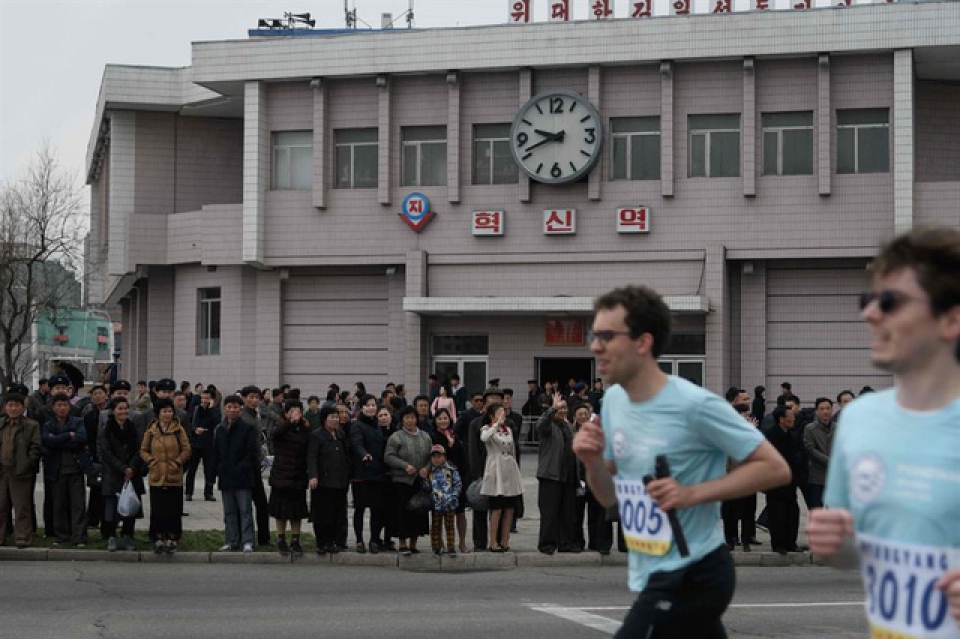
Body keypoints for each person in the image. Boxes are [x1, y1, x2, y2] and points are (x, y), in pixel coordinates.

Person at [573, 285, 790, 639]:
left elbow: (775, 467)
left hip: (695, 570)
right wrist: (592, 462)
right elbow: (610, 497)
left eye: (607, 336)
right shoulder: (613, 401)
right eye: (593, 336)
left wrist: (692, 494)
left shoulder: (695, 405)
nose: (595, 346)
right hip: (651, 569)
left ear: (643, 342)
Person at [807, 227, 960, 637]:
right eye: (868, 300)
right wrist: (837, 545)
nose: (870, 314)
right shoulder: (859, 418)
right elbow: (854, 552)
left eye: (890, 301)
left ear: (950, 319)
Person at [140, 397, 191, 553]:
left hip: (174, 476)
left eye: (170, 411)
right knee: (158, 510)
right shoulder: (151, 431)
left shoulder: (179, 430)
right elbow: (143, 450)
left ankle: (172, 538)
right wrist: (150, 461)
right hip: (157, 476)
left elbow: (187, 449)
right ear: (158, 413)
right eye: (164, 411)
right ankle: (157, 538)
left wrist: (177, 462)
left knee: (173, 510)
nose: (167, 414)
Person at [41, 393, 92, 547]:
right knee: (59, 505)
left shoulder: (78, 421)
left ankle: (79, 537)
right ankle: (61, 535)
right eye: (59, 405)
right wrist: (68, 435)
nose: (62, 408)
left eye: (65, 405)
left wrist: (58, 440)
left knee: (78, 505)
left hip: (76, 468)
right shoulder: (48, 425)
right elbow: (47, 441)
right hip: (56, 469)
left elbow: (81, 438)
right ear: (53, 407)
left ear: (69, 407)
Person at [383, 405, 432, 556]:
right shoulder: (396, 437)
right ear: (402, 420)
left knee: (418, 512)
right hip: (402, 481)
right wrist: (404, 466)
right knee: (402, 513)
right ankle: (402, 543)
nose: (410, 420)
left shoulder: (425, 436)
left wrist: (426, 468)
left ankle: (413, 544)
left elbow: (432, 457)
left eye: (413, 417)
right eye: (407, 418)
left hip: (419, 481)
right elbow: (388, 457)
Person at [213, 395, 259, 553]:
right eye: (229, 407)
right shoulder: (220, 429)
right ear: (224, 409)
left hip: (243, 476)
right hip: (225, 476)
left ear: (240, 409)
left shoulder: (248, 428)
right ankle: (231, 540)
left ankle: (248, 541)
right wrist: (215, 471)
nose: (232, 410)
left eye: (235, 407)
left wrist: (242, 467)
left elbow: (251, 453)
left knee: (245, 511)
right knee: (229, 511)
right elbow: (216, 452)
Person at [536, 393, 581, 554]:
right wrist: (551, 409)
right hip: (551, 475)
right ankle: (547, 544)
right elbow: (541, 425)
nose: (562, 410)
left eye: (564, 408)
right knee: (549, 513)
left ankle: (565, 543)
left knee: (567, 513)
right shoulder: (548, 426)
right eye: (559, 408)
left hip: (568, 476)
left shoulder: (568, 426)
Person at [98, 397, 144, 551]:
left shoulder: (133, 428)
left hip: (132, 473)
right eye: (120, 409)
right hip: (113, 473)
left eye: (125, 408)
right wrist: (123, 468)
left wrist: (131, 467)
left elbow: (139, 450)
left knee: (130, 507)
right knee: (111, 508)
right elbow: (106, 453)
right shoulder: (106, 430)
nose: (123, 412)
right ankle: (111, 536)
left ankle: (127, 536)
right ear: (113, 411)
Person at [269, 399, 310, 557]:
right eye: (292, 411)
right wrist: (290, 423)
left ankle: (295, 539)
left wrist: (303, 425)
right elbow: (275, 435)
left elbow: (308, 443)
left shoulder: (304, 430)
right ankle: (281, 539)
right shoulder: (281, 427)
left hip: (298, 475)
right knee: (280, 511)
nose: (296, 414)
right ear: (286, 413)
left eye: (298, 410)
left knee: (296, 511)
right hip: (281, 475)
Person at [480, 402, 523, 553]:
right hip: (495, 468)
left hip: (509, 468)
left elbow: (512, 449)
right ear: (492, 415)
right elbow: (484, 438)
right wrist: (495, 425)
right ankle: (493, 542)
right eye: (499, 412)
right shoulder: (487, 429)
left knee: (509, 508)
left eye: (503, 412)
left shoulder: (508, 429)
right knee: (496, 509)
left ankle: (505, 541)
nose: (502, 415)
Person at [0, 393, 41, 548]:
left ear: (23, 407)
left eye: (17, 405)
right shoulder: (1, 423)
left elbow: (36, 447)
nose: (13, 408)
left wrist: (27, 464)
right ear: (5, 407)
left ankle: (23, 537)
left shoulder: (31, 425)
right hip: (2, 470)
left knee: (22, 506)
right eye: (10, 405)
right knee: (1, 506)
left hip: (20, 471)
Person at [308, 405, 350, 555]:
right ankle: (322, 542)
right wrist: (313, 476)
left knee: (337, 513)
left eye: (336, 417)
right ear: (324, 419)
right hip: (323, 481)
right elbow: (312, 457)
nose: (335, 420)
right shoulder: (317, 435)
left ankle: (334, 541)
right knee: (322, 513)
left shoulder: (340, 434)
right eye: (332, 417)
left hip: (340, 481)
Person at [348, 395, 387, 554]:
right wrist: (364, 454)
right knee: (360, 508)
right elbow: (356, 444)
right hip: (361, 473)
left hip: (377, 472)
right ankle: (359, 540)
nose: (371, 408)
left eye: (373, 405)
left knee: (377, 509)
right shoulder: (357, 426)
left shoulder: (378, 425)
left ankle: (374, 540)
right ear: (361, 408)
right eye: (368, 405)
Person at [763, 405, 803, 555]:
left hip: (790, 481)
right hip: (775, 482)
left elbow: (798, 453)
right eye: (790, 416)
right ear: (781, 419)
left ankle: (791, 543)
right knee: (777, 515)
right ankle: (778, 544)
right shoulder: (771, 435)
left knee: (792, 513)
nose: (793, 419)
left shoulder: (792, 434)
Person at [430, 407, 469, 554]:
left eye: (445, 418)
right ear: (435, 420)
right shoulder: (433, 436)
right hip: (439, 481)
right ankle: (439, 543)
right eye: (439, 418)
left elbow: (462, 458)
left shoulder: (455, 435)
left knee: (460, 512)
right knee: (438, 514)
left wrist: (453, 444)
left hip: (456, 479)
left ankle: (462, 542)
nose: (443, 421)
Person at [427, 444, 462, 557]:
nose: (436, 459)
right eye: (434, 457)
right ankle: (436, 547)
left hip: (449, 503)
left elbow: (457, 484)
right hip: (436, 504)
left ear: (444, 457)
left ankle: (451, 547)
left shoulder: (451, 470)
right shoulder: (430, 471)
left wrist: (454, 496)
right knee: (435, 526)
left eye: (439, 456)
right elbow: (427, 486)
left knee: (450, 526)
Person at [185, 388, 219, 502]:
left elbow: (216, 422)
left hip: (209, 443)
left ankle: (208, 493)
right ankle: (189, 492)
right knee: (192, 469)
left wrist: (211, 408)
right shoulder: (196, 409)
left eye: (207, 398)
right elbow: (191, 423)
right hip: (196, 443)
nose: (205, 400)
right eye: (203, 398)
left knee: (209, 469)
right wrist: (195, 430)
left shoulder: (215, 411)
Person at [801, 397, 835, 510]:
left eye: (828, 408)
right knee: (817, 509)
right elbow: (810, 449)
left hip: (835, 477)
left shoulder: (838, 427)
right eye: (822, 409)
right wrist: (830, 461)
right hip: (817, 476)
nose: (825, 411)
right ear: (816, 411)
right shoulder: (810, 429)